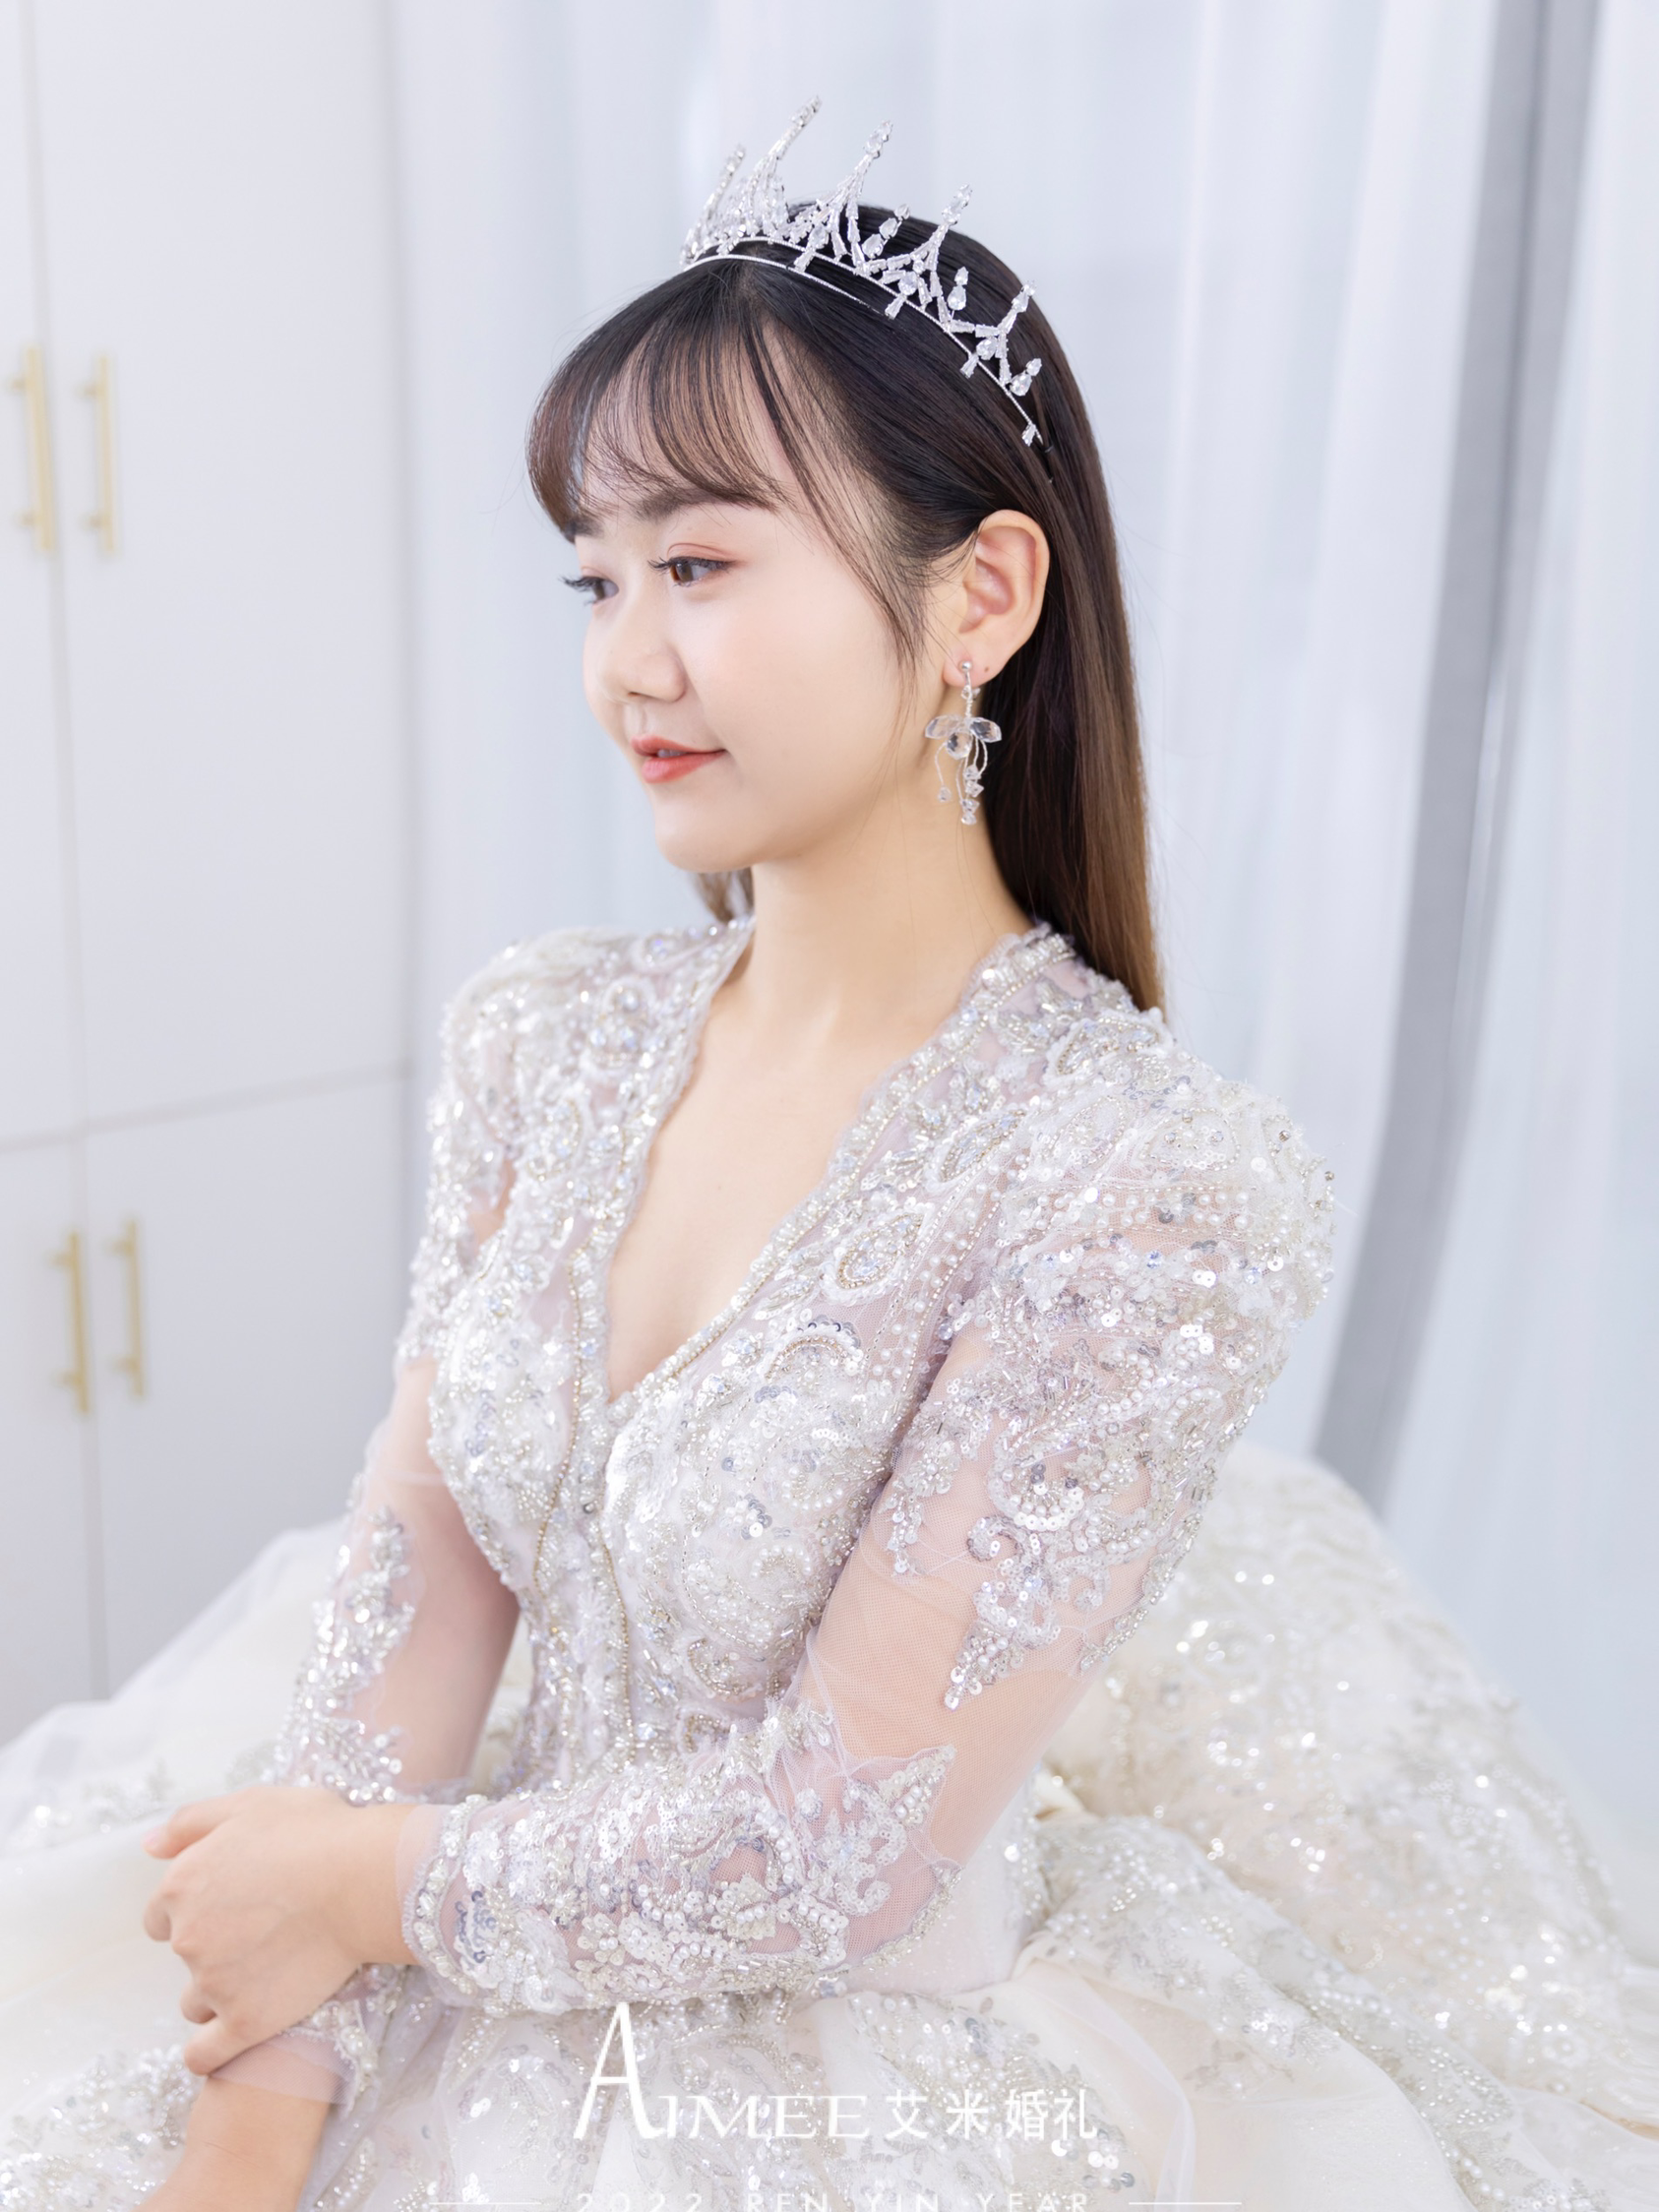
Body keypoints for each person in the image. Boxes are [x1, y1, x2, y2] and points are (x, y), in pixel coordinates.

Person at [2, 106, 1654, 2212]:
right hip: (426, 1940)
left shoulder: (1139, 1174)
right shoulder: (546, 1035)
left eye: (698, 564)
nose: (627, 659)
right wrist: (262, 2100)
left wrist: (367, 1884)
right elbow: (418, 1591)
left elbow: (834, 1840)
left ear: (980, 596)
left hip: (831, 2066)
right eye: (596, 576)